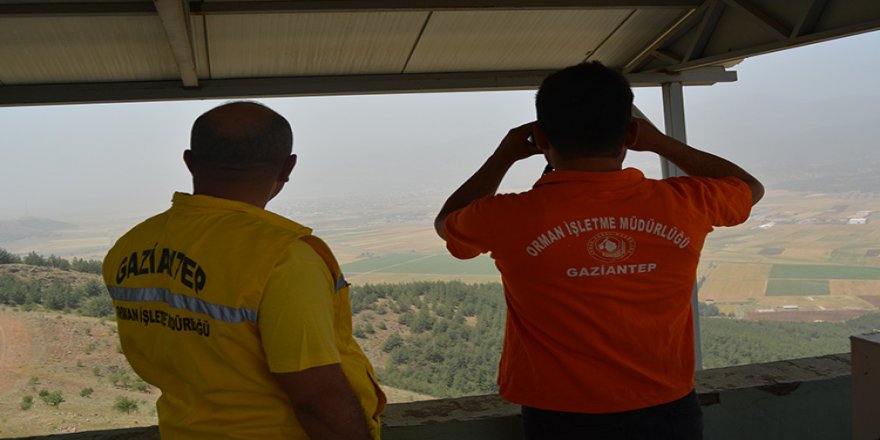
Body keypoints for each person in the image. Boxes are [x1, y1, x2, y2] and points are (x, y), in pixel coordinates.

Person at [434, 62, 764, 439]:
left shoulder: (508, 216)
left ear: (541, 138)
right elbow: (747, 187)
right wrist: (659, 141)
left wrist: (503, 156)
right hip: (668, 407)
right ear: (630, 133)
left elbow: (448, 222)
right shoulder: (685, 203)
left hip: (560, 414)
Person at [103, 101, 385, 439]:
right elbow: (317, 396)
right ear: (287, 167)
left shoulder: (131, 246)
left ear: (189, 161)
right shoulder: (283, 257)